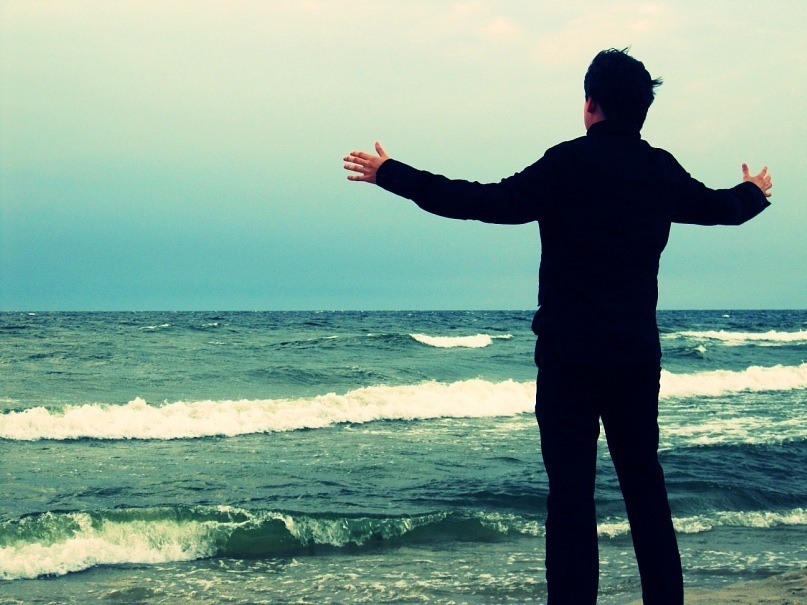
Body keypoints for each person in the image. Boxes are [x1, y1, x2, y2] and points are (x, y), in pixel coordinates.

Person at [343, 48, 772, 604]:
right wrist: (754, 192)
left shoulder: (568, 163)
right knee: (645, 491)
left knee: (571, 500)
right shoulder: (659, 170)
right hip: (635, 359)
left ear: (591, 104)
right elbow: (720, 208)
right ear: (641, 110)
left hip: (570, 359)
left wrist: (392, 175)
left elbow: (483, 201)